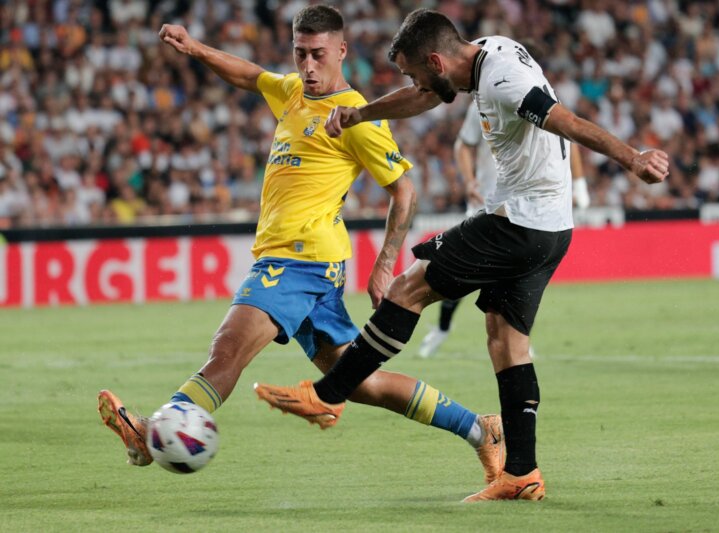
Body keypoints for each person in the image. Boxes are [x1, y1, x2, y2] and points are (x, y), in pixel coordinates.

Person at [255, 9, 668, 502]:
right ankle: (521, 473)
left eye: (414, 72)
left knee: (410, 286)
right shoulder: (480, 53)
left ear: (435, 59)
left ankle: (327, 394)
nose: (415, 83)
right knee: (506, 340)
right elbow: (425, 95)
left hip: (519, 221)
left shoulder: (504, 81)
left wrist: (634, 159)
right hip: (551, 228)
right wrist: (363, 114)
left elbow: (569, 122)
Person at [96, 5, 504, 486]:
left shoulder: (357, 116)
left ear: (341, 52)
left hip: (299, 260)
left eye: (317, 55)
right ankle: (481, 430)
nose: (308, 66)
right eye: (300, 54)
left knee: (227, 350)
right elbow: (252, 76)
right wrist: (198, 49)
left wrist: (385, 263)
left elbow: (404, 190)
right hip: (307, 262)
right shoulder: (291, 90)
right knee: (361, 382)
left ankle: (155, 432)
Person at [418, 97, 591, 358]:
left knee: (514, 276)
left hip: (523, 207)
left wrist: (579, 185)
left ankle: (517, 337)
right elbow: (464, 145)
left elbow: (570, 136)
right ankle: (442, 328)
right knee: (458, 273)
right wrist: (469, 181)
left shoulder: (540, 102)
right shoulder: (484, 104)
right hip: (484, 202)